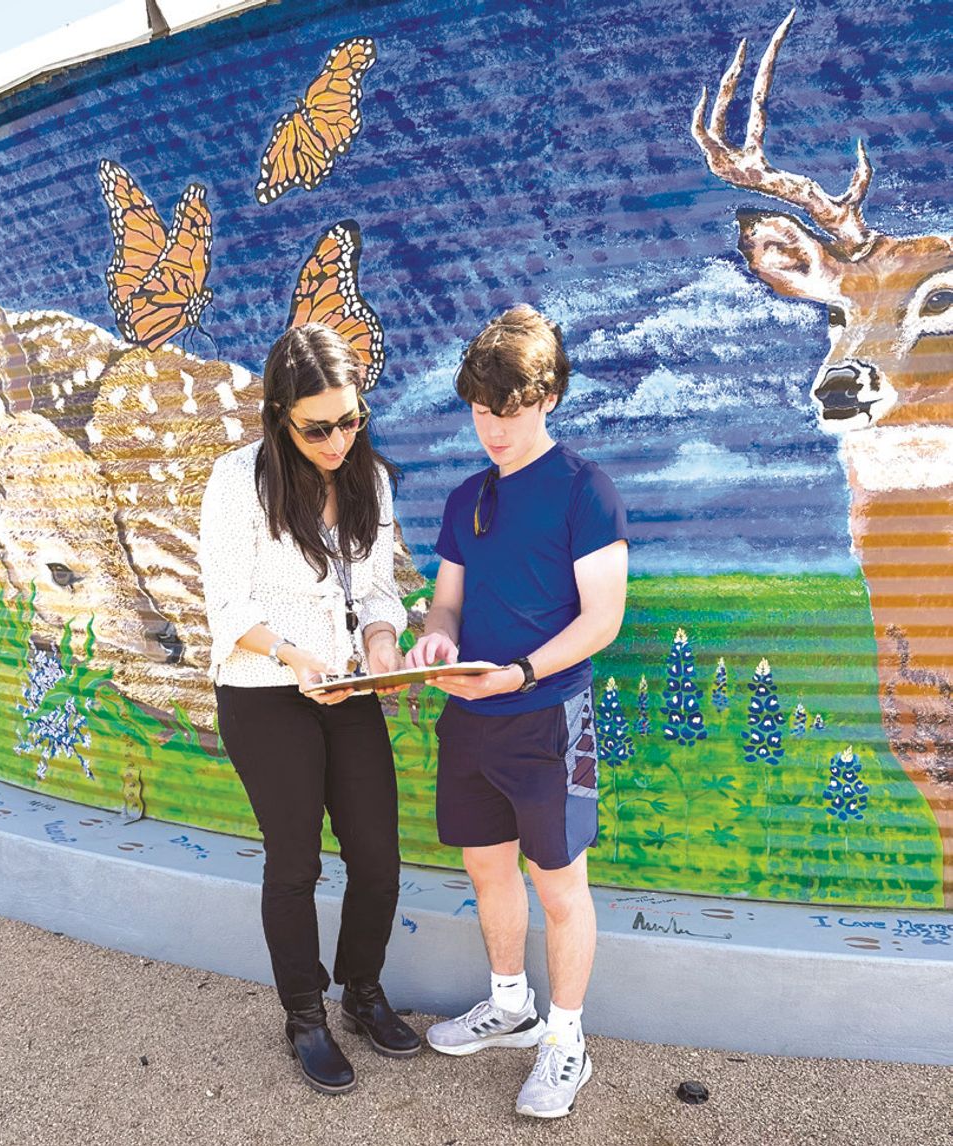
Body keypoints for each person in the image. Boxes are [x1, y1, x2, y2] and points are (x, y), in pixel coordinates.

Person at [405, 304, 628, 1119]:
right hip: (470, 718)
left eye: (510, 410)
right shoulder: (467, 496)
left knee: (560, 884)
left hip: (547, 719)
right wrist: (435, 642)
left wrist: (522, 672)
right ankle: (512, 1006)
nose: (492, 428)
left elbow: (603, 619)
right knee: (486, 868)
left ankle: (566, 1042)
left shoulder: (584, 490)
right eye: (479, 410)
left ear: (548, 400)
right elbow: (446, 607)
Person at [197, 323, 420, 1096]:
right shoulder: (237, 481)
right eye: (317, 427)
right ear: (280, 418)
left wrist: (385, 646)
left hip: (348, 687)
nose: (337, 440)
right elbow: (225, 606)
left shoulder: (369, 479)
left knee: (379, 859)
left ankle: (362, 993)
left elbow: (380, 589)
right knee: (294, 862)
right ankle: (305, 1018)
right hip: (264, 692)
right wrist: (295, 658)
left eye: (351, 420)